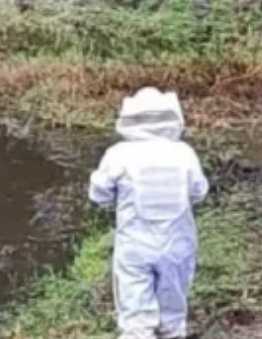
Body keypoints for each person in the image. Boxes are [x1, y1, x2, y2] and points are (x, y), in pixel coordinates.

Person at [89, 87, 210, 339]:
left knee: (135, 314)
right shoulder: (183, 152)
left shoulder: (118, 154)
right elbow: (199, 191)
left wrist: (114, 201)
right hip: (178, 244)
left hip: (134, 244)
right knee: (173, 310)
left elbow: (98, 193)